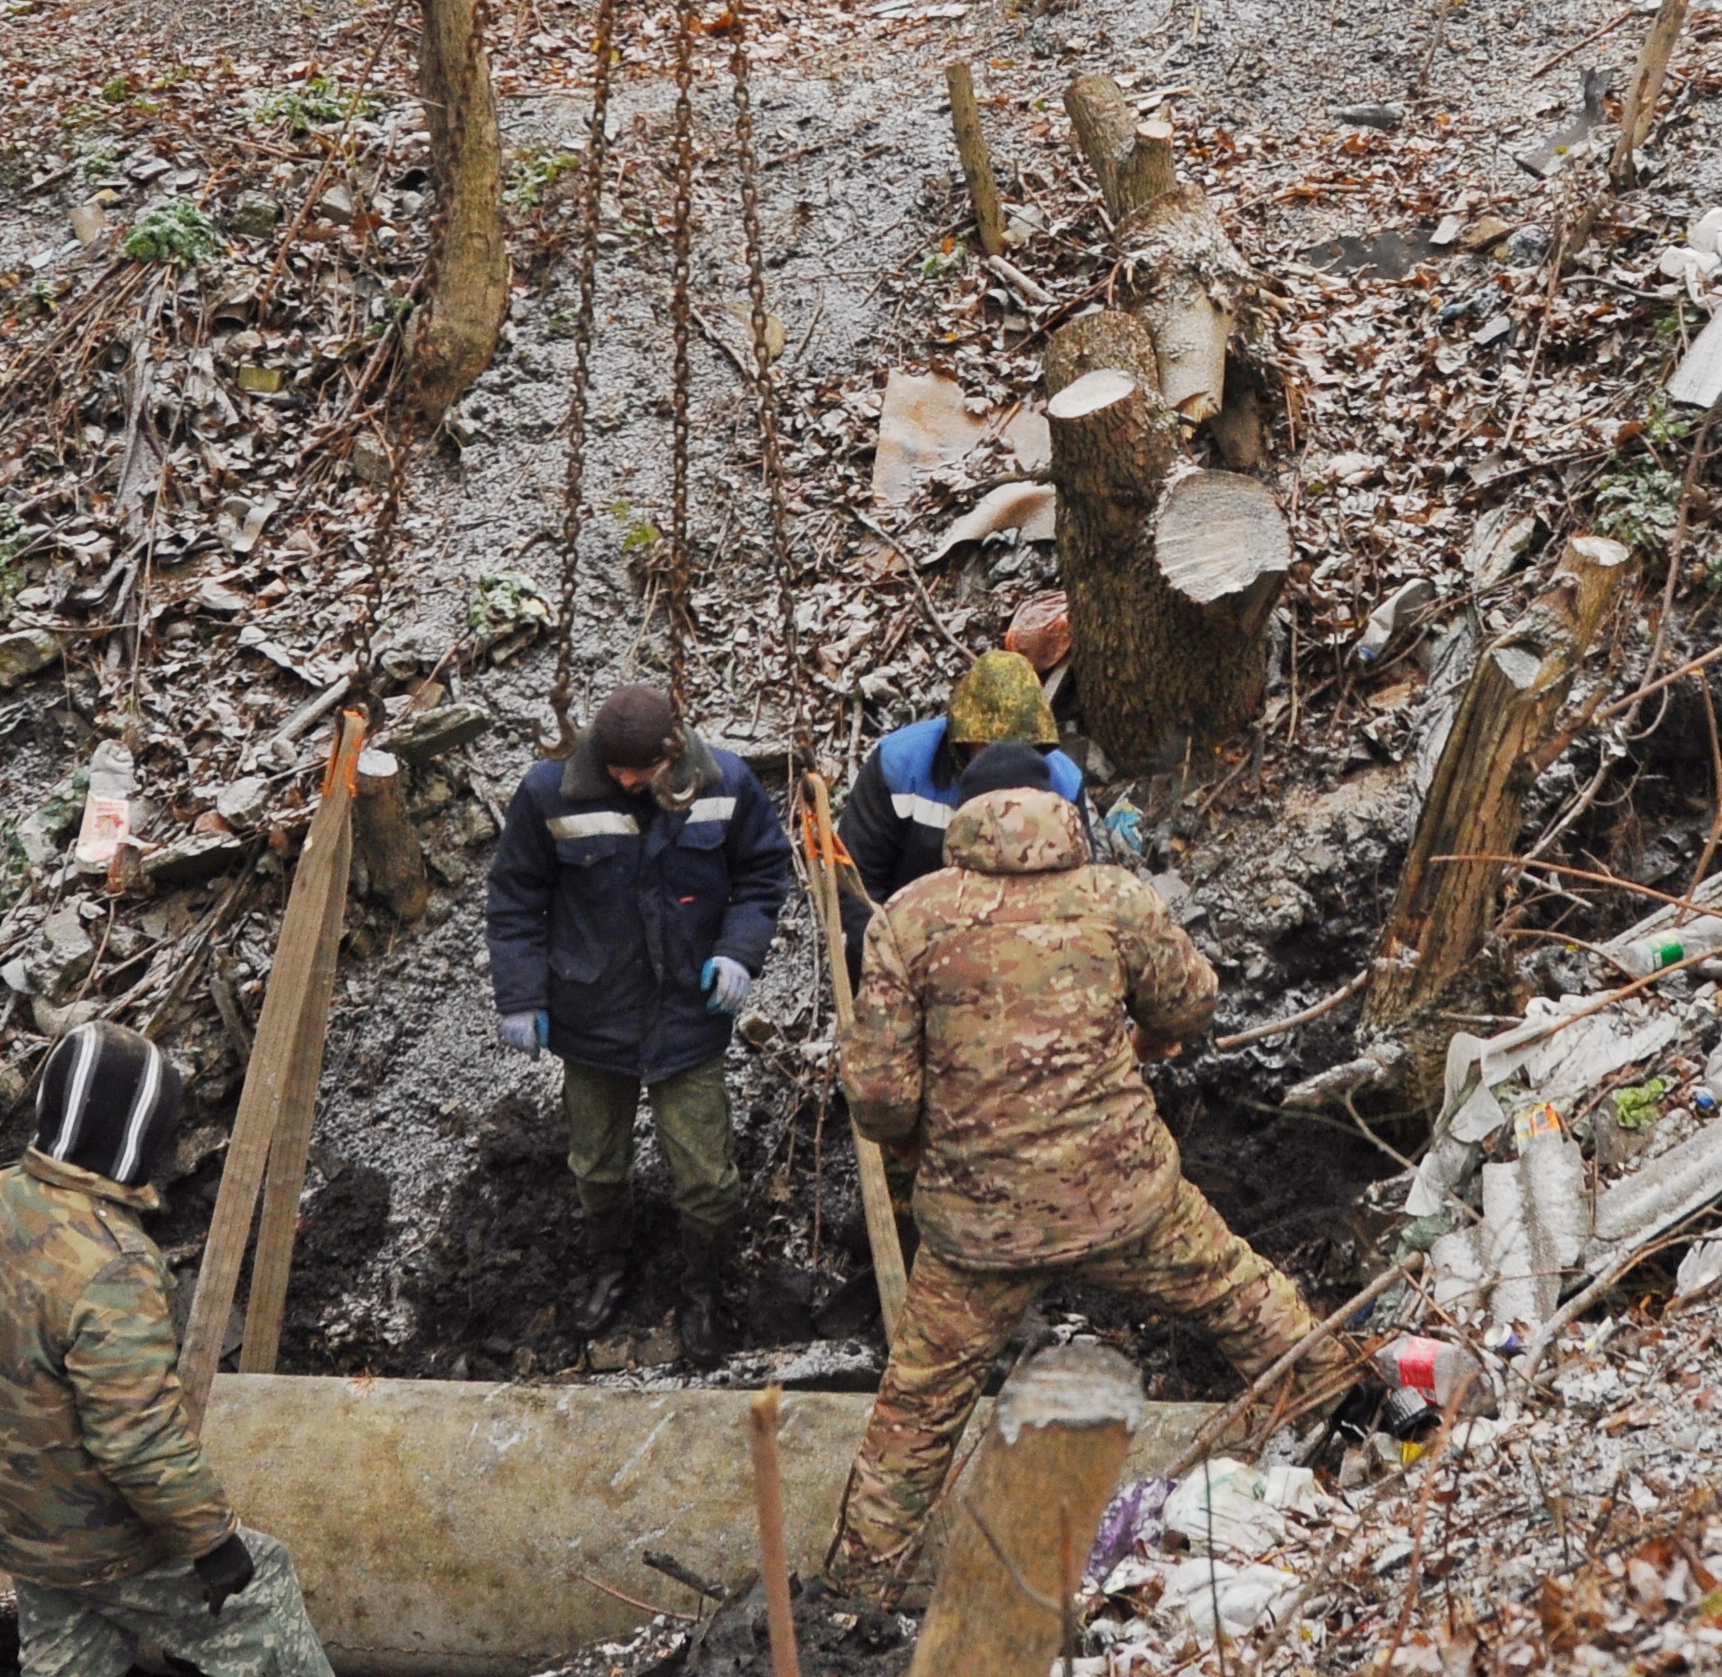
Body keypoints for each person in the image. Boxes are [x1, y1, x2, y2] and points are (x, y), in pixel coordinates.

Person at [815, 765, 1356, 1595]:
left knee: (917, 1409)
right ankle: (1358, 1432)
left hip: (976, 1227)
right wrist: (1135, 1038)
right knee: (1239, 1296)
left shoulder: (907, 918)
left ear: (966, 822)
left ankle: (853, 1595)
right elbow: (1190, 1003)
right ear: (1061, 815)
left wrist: (922, 1144)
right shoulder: (1115, 897)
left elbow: (880, 1097)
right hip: (1125, 1196)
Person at [0, 1023, 328, 1677]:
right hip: (90, 1533)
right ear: (136, 1136)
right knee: (262, 1589)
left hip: (6, 1517)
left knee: (70, 1648)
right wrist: (212, 1539)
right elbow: (135, 1436)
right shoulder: (112, 1263)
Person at [486, 682, 791, 1364]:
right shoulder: (549, 793)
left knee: (707, 1177)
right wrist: (520, 997)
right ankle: (609, 1265)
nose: (626, 781)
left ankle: (705, 1288)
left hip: (689, 1013)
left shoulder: (726, 782)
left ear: (671, 752)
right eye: (616, 767)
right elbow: (514, 899)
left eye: (640, 770)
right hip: (592, 1016)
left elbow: (764, 873)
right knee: (595, 1165)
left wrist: (739, 951)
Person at [831, 649, 1082, 977]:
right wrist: (888, 957)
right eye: (988, 747)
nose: (1001, 760)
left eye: (1019, 749)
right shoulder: (903, 765)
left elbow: (1076, 890)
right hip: (907, 936)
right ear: (962, 739)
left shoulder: (1063, 782)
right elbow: (855, 878)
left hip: (1017, 944)